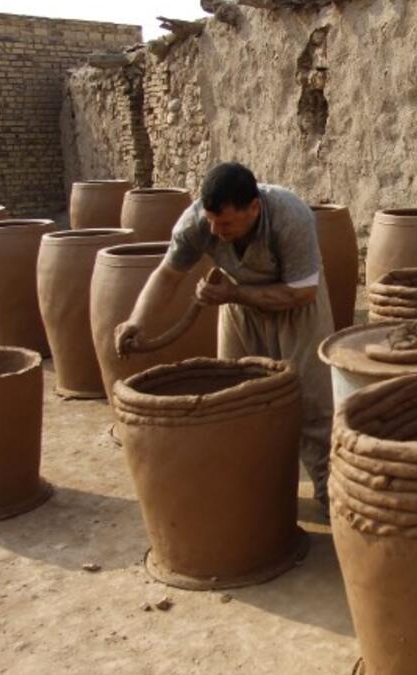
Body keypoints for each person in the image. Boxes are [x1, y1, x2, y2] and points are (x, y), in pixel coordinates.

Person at [115, 162, 334, 508]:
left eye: (227, 223)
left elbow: (302, 293)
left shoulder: (290, 215)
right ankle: (251, 493)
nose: (217, 231)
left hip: (296, 308)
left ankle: (327, 493)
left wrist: (235, 295)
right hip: (238, 306)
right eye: (213, 221)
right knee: (234, 401)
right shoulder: (197, 224)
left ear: (254, 208)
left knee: (313, 404)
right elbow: (168, 275)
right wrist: (137, 321)